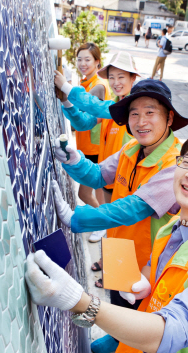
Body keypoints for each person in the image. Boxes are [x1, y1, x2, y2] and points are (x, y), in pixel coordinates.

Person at [25, 123, 188, 353]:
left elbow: (167, 333)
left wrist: (78, 301)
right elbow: (156, 268)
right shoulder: (174, 226)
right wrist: (148, 282)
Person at [51, 80, 188, 316]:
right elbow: (97, 175)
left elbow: (134, 208)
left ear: (169, 118)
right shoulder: (132, 148)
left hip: (148, 260)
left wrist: (77, 217)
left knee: (139, 314)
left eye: (150, 112)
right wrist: (74, 161)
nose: (141, 121)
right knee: (117, 300)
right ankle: (115, 339)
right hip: (119, 243)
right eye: (134, 113)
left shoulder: (175, 164)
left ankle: (123, 345)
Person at [55, 51, 139, 283]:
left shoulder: (130, 109)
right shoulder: (112, 107)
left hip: (126, 182)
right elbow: (82, 123)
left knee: (121, 228)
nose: (116, 82)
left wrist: (69, 88)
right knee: (113, 226)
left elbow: (95, 106)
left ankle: (116, 277)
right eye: (112, 77)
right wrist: (65, 101)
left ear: (133, 79)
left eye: (122, 77)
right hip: (108, 178)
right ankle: (108, 263)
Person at [70, 43, 110, 236]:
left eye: (87, 60)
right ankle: (105, 224)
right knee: (100, 193)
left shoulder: (98, 87)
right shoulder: (87, 82)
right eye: (79, 59)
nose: (82, 63)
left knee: (84, 193)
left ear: (97, 62)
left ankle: (102, 225)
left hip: (94, 148)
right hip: (92, 146)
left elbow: (82, 119)